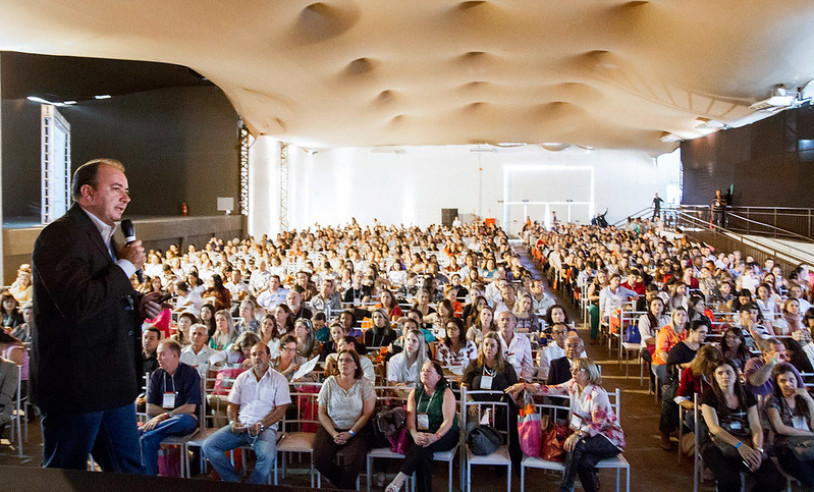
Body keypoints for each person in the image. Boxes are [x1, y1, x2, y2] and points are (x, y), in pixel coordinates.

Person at [32, 158, 162, 471]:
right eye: (116, 188)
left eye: (126, 190)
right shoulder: (61, 236)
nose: (126, 197)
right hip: (77, 389)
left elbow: (104, 294)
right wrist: (127, 266)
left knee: (128, 470)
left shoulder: (103, 236)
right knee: (67, 473)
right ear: (87, 193)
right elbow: (78, 303)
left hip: (112, 384)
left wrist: (138, 303)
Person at [506, 358, 625, 492]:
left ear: (589, 373)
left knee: (576, 445)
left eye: (577, 370)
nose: (573, 372)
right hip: (589, 437)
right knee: (584, 463)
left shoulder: (597, 393)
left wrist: (576, 435)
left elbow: (597, 425)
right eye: (572, 369)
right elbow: (549, 390)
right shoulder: (573, 385)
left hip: (610, 438)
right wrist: (524, 385)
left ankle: (565, 487)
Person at [202, 342, 291, 484]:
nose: (257, 357)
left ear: (269, 356)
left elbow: (281, 410)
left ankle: (253, 486)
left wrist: (261, 425)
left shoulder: (279, 379)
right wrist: (233, 421)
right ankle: (233, 481)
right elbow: (232, 405)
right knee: (209, 446)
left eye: (261, 353)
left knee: (267, 456)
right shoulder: (242, 378)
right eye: (254, 354)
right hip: (241, 427)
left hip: (265, 429)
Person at [700, 359, 785, 492]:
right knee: (730, 479)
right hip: (716, 444)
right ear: (714, 376)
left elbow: (756, 426)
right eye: (720, 373)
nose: (725, 376)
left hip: (747, 441)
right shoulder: (709, 396)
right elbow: (714, 428)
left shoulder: (747, 395)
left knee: (775, 480)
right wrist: (739, 446)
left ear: (736, 374)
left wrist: (757, 450)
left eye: (729, 372)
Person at [385, 361, 459, 492]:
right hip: (422, 432)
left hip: (446, 434)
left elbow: (448, 421)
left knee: (422, 445)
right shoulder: (415, 393)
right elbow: (410, 421)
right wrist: (414, 434)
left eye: (429, 371)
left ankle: (400, 478)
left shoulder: (446, 392)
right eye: (423, 370)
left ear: (438, 377)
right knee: (424, 449)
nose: (424, 373)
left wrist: (436, 436)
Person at [314, 349, 376, 490]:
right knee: (319, 460)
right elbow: (322, 413)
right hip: (331, 427)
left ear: (356, 365)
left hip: (357, 429)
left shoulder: (364, 384)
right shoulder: (330, 383)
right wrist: (333, 432)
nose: (343, 363)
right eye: (341, 360)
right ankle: (346, 487)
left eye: (348, 360)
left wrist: (351, 432)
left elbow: (367, 414)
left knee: (352, 462)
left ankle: (344, 486)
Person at [140, 340, 200, 476]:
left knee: (185, 419)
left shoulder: (189, 373)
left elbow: (190, 408)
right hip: (162, 425)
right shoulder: (157, 375)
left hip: (184, 422)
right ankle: (149, 482)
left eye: (161, 354)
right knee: (148, 438)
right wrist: (170, 415)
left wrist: (164, 416)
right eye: (157, 355)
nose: (158, 358)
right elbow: (149, 408)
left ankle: (141, 431)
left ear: (174, 356)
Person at [766, 362, 814, 489]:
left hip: (808, 445)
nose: (788, 384)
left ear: (797, 380)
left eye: (791, 380)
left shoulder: (804, 398)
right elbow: (780, 428)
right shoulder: (773, 401)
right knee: (810, 477)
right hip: (786, 449)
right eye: (783, 381)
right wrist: (809, 433)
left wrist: (809, 400)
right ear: (777, 383)